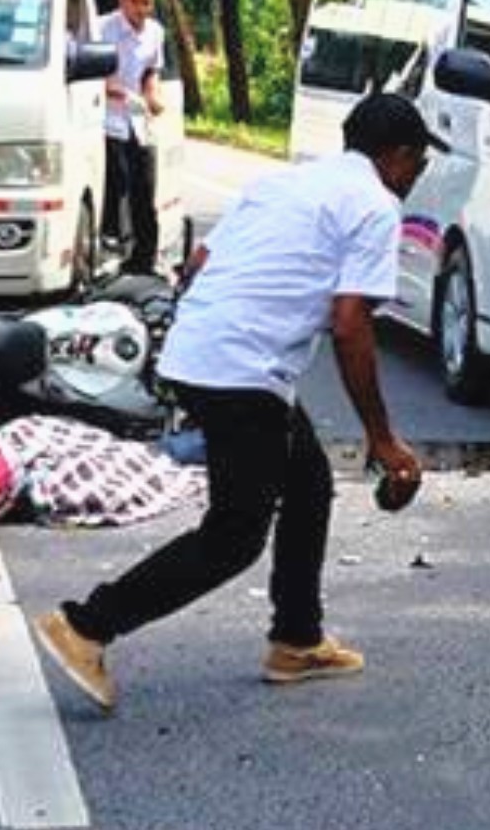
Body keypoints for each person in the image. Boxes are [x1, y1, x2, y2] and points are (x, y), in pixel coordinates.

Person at [33, 93, 432, 711]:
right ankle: (88, 625)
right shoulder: (376, 205)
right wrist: (382, 438)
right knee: (234, 537)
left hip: (202, 353)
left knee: (306, 484)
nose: (415, 178)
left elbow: (198, 263)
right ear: (399, 156)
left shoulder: (280, 184)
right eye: (419, 164)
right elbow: (351, 326)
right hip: (242, 371)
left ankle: (297, 638)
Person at [100, 0, 166, 276]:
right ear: (122, 1)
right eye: (136, 2)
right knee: (116, 182)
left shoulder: (155, 32)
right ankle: (106, 246)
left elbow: (150, 70)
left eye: (148, 3)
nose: (142, 9)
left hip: (139, 121)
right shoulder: (103, 28)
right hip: (108, 120)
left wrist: (152, 94)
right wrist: (116, 88)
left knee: (145, 188)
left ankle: (144, 260)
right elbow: (97, 70)